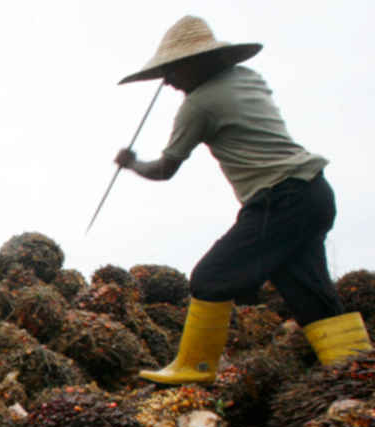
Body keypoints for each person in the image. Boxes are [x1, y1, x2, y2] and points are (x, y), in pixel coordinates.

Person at [114, 15, 371, 384]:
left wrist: (132, 163)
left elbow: (165, 169)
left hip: (280, 199)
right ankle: (358, 375)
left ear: (196, 62)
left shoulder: (198, 105)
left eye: (172, 70)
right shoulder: (249, 79)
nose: (167, 82)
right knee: (309, 295)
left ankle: (195, 368)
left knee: (210, 277)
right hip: (315, 193)